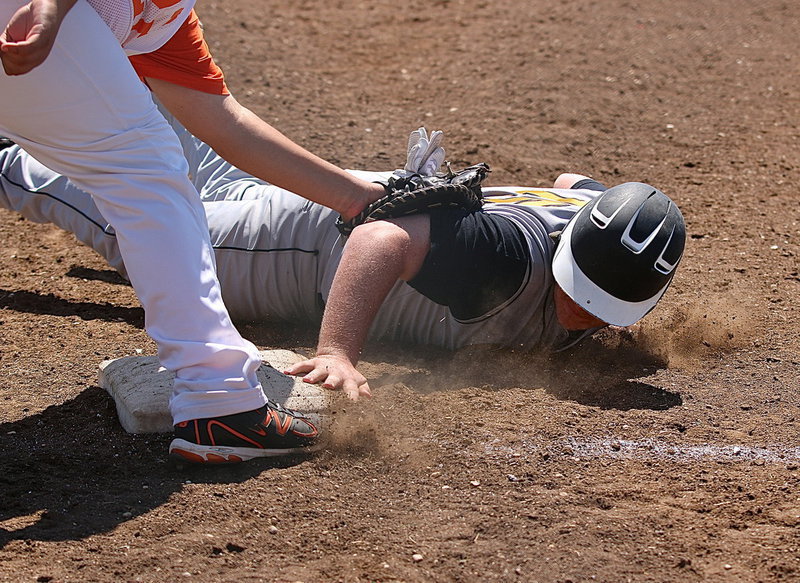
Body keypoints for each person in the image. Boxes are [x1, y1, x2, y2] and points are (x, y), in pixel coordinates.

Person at [0, 115, 687, 421]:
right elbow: (380, 238)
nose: (580, 313)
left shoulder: (593, 212)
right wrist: (336, 351)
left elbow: (572, 182)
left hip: (335, 196)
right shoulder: (503, 260)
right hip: (300, 251)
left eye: (601, 306)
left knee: (175, 151)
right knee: (139, 225)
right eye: (580, 291)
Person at [0, 0, 385, 465]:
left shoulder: (167, 17)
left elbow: (223, 121)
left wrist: (361, 197)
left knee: (144, 167)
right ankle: (219, 398)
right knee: (143, 171)